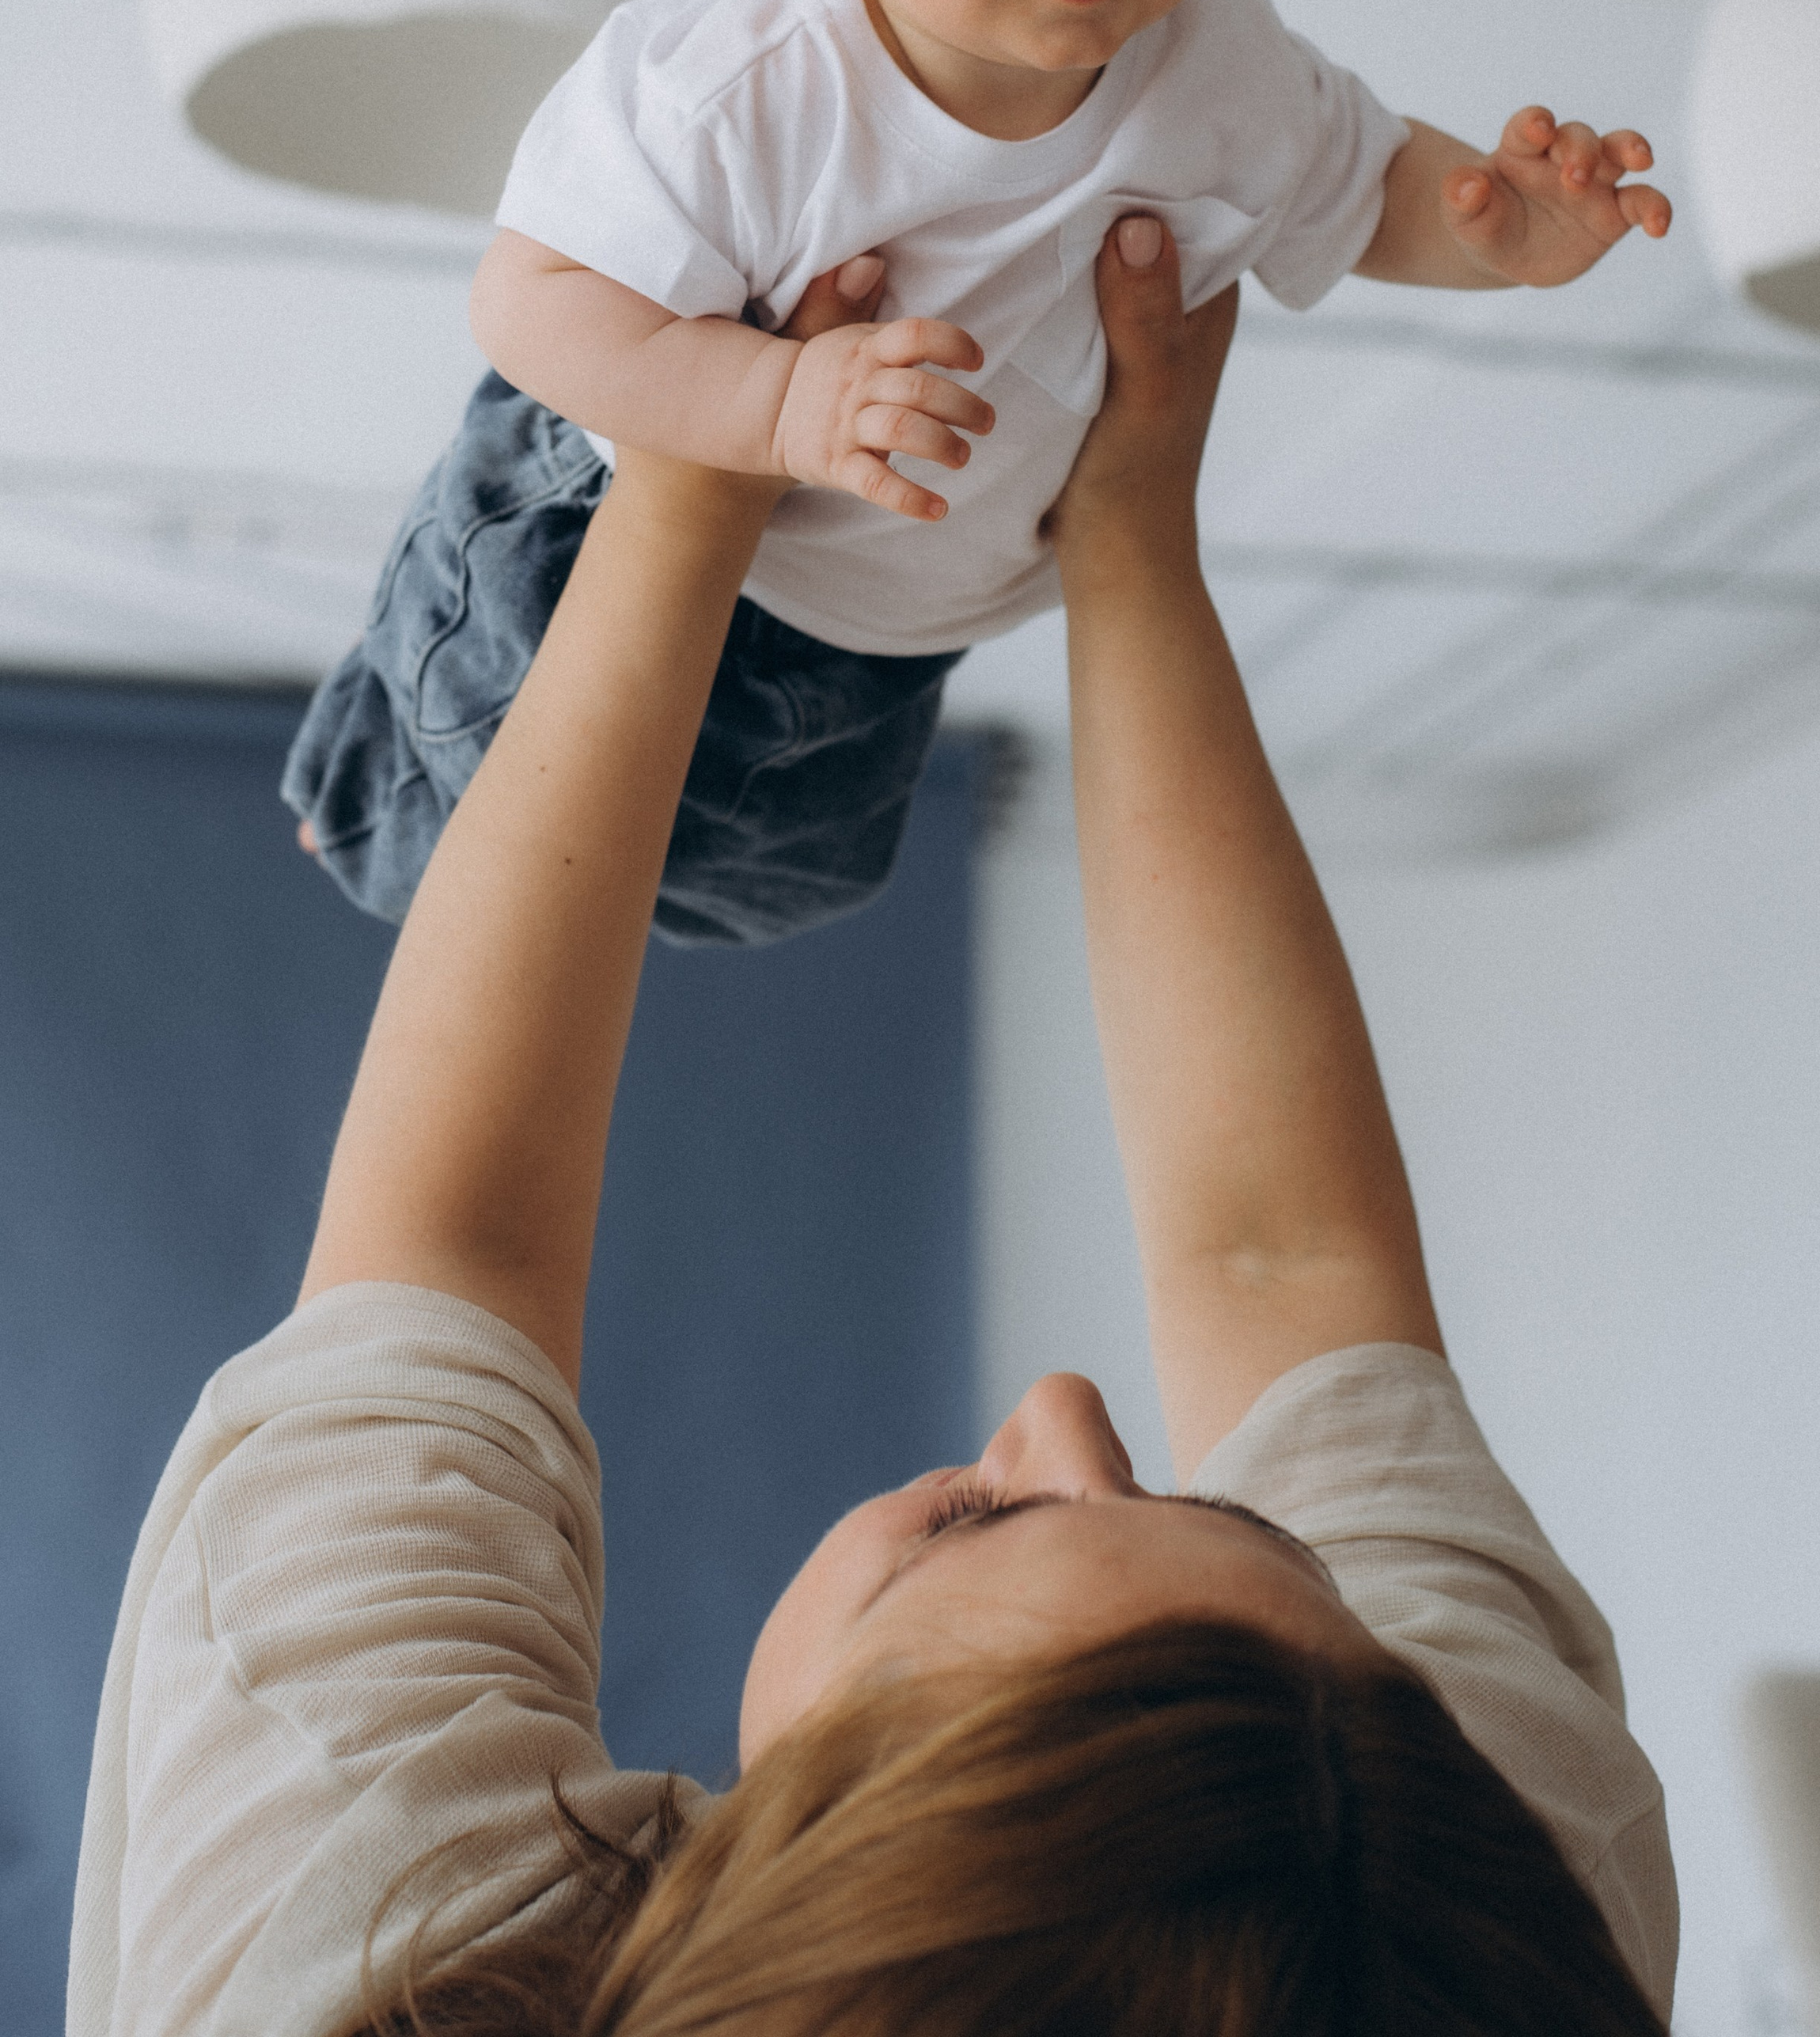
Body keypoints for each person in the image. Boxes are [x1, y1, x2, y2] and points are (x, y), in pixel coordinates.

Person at [74, 221, 1676, 2037]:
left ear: (827, 1863)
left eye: (976, 1526)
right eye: (1230, 1519)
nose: (1065, 1413)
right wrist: (1129, 537)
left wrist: (693, 461)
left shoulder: (347, 1943)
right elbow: (1284, 1266)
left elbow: (453, 1250)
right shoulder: (1455, 1886)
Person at [284, 0, 1671, 950]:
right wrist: (775, 407)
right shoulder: (733, 86)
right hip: (602, 513)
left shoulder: (1233, 82)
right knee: (479, 834)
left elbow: (1375, 190)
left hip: (890, 636)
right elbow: (529, 305)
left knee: (769, 893)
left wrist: (1503, 231)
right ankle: (352, 779)